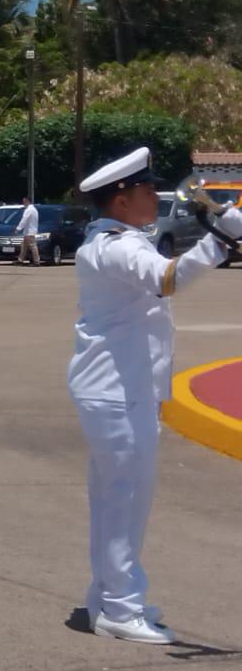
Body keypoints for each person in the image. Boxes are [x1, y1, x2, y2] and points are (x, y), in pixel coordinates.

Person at [69, 147, 242, 644]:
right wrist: (221, 240)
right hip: (118, 391)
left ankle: (106, 597)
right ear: (121, 200)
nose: (154, 195)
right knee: (125, 501)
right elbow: (167, 279)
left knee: (111, 500)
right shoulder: (119, 246)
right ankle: (121, 606)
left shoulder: (113, 240)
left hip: (114, 388)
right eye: (146, 190)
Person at [17, 196, 40, 267]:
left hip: (30, 231)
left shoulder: (29, 210)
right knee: (24, 246)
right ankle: (20, 260)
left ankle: (36, 262)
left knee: (33, 246)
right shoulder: (33, 209)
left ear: (28, 201)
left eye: (24, 201)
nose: (23, 203)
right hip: (28, 231)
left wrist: (18, 228)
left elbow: (24, 219)